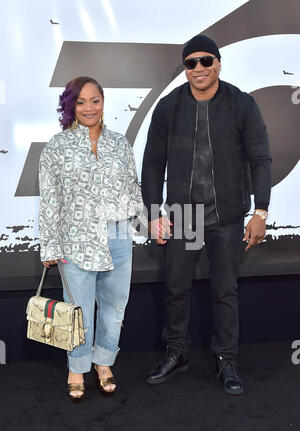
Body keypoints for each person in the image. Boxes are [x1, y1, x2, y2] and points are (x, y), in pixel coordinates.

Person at [141, 34, 271, 395]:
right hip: (183, 215)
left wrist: (261, 210)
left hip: (227, 216)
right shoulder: (168, 107)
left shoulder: (242, 104)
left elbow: (261, 159)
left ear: (217, 64)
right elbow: (152, 163)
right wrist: (153, 211)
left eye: (205, 61)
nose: (198, 68)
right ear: (185, 69)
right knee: (176, 289)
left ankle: (226, 359)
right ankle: (177, 352)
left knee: (225, 291)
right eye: (191, 63)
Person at [39, 76, 143, 400]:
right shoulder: (57, 147)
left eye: (94, 100)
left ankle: (104, 363)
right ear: (71, 106)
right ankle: (77, 366)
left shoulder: (120, 143)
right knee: (78, 310)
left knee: (114, 308)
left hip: (118, 236)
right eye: (81, 102)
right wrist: (50, 244)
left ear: (103, 102)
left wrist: (143, 222)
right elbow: (50, 199)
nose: (89, 108)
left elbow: (132, 188)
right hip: (76, 240)